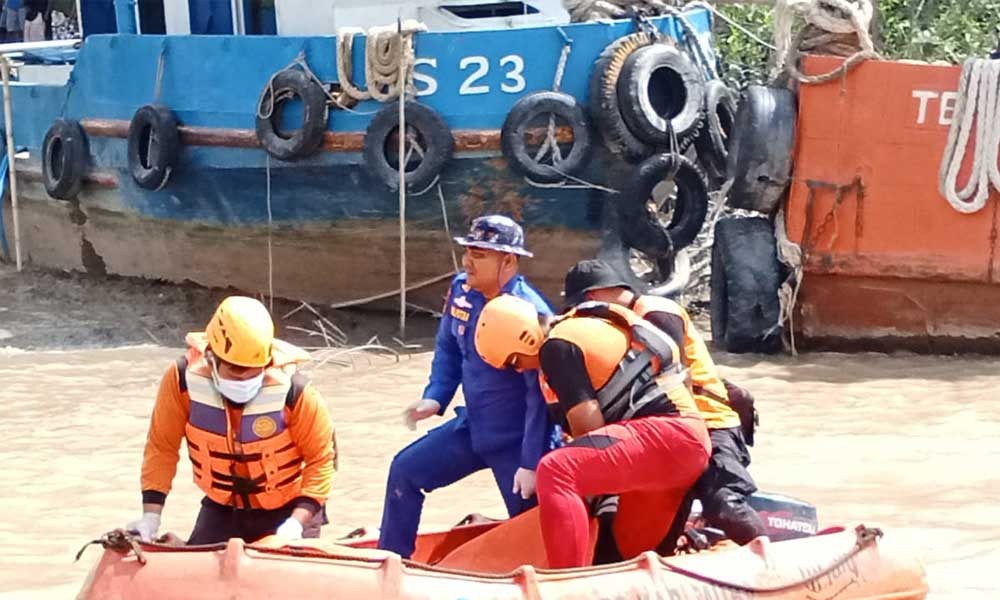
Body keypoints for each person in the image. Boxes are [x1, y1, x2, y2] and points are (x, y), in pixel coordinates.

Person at [475, 295, 710, 568]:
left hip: (668, 438)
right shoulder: (582, 325)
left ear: (524, 341)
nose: (517, 371)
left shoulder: (556, 347)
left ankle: (566, 584)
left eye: (513, 363)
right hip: (676, 452)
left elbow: (590, 428)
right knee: (618, 556)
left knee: (556, 471)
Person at [377, 215, 553, 559]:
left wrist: (532, 463)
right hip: (473, 427)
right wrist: (435, 396)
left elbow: (541, 397)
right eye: (468, 251)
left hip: (516, 443)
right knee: (405, 471)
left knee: (533, 527)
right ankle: (392, 563)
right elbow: (448, 348)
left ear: (508, 261)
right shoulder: (461, 292)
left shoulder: (530, 313)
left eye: (480, 254)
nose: (468, 261)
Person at [562, 259, 767, 547]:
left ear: (592, 297)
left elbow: (674, 380)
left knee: (724, 506)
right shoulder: (619, 325)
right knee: (656, 534)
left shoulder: (655, 312)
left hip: (708, 425)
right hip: (669, 436)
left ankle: (772, 564)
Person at [126, 296, 336, 545]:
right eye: (235, 371)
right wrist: (151, 517)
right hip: (224, 507)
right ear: (212, 358)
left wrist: (295, 524)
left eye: (254, 371)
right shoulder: (181, 381)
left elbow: (321, 460)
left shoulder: (296, 393)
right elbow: (162, 448)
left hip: (290, 510)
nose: (244, 379)